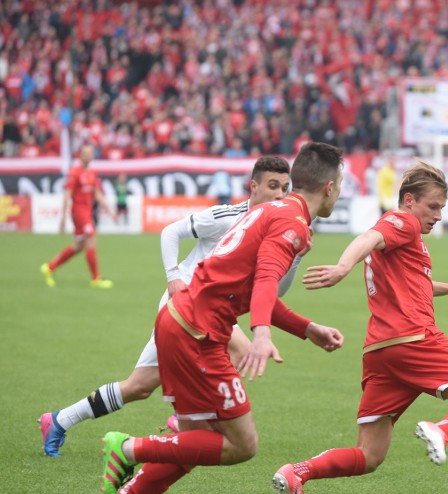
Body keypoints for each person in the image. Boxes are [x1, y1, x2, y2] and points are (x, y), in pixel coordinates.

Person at [87, 142, 346, 494]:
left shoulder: (267, 211)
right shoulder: (292, 223)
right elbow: (264, 282)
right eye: (342, 184)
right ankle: (129, 447)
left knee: (192, 442)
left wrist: (306, 328)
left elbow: (248, 286)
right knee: (242, 444)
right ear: (330, 187)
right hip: (199, 334)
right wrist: (260, 333)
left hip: (179, 319)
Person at [272, 161, 448, 494]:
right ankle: (441, 430)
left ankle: (296, 473)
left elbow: (414, 283)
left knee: (368, 456)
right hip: (414, 340)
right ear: (409, 201)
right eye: (434, 206)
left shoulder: (409, 240)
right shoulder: (403, 222)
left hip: (382, 353)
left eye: (442, 208)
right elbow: (370, 237)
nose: (438, 216)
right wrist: (342, 266)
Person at [39, 156, 294, 457]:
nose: (279, 195)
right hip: (188, 302)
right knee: (240, 350)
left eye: (285, 188)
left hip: (212, 310)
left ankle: (58, 420)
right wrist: (174, 277)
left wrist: (298, 257)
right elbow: (170, 232)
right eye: (272, 186)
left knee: (139, 386)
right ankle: (185, 416)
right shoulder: (228, 216)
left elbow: (274, 290)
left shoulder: (274, 227)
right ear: (253, 187)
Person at [40, 144, 116, 288]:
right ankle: (95, 279)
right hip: (79, 212)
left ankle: (49, 267)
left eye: (91, 153)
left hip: (86, 212)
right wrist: (62, 218)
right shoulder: (75, 172)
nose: (89, 155)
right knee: (91, 239)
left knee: (79, 246)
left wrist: (109, 210)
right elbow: (66, 195)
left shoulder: (92, 173)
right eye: (86, 153)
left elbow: (97, 194)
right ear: (80, 156)